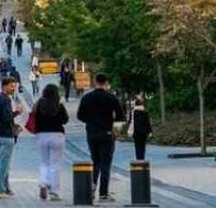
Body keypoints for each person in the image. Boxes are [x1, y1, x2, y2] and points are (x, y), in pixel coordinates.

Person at [76, 73, 125, 202]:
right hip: (107, 133)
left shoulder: (87, 98)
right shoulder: (111, 98)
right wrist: (109, 120)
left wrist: (91, 120)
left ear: (95, 82)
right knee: (105, 163)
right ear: (106, 82)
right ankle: (103, 194)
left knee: (95, 161)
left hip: (92, 133)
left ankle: (92, 188)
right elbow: (120, 116)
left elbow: (80, 116)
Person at [30, 83, 70, 201]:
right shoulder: (59, 106)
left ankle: (43, 183)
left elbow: (33, 118)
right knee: (55, 164)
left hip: (41, 135)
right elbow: (65, 120)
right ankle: (54, 191)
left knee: (44, 162)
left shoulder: (38, 105)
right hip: (57, 135)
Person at [0, 77, 24, 199]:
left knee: (5, 162)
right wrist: (17, 112)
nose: (13, 88)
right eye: (11, 86)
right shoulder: (5, 100)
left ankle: (7, 187)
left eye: (14, 86)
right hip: (6, 135)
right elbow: (6, 118)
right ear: (4, 86)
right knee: (5, 164)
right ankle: (0, 189)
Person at [130, 96, 153, 161]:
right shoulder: (145, 112)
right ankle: (142, 158)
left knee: (137, 146)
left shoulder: (133, 112)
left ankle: (138, 159)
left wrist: (130, 131)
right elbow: (147, 123)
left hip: (136, 132)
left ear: (135, 104)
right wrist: (150, 131)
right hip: (144, 132)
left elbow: (131, 122)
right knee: (143, 146)